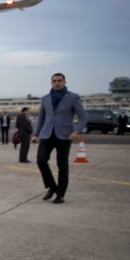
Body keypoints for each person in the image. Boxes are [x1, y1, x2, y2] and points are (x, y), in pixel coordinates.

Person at [32, 73, 87, 204]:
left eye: (59, 81)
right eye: (54, 81)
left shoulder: (73, 97)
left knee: (62, 166)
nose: (57, 83)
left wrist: (77, 130)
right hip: (46, 134)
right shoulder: (45, 98)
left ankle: (60, 194)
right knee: (41, 160)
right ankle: (52, 187)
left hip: (64, 135)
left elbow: (83, 116)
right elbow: (41, 118)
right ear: (51, 82)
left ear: (64, 82)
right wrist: (35, 134)